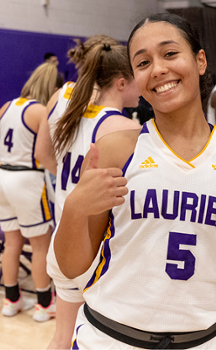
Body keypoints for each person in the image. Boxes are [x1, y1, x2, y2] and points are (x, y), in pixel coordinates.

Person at [54, 13, 216, 349]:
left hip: (204, 340)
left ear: (199, 60)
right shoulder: (115, 150)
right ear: (135, 78)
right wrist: (74, 210)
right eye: (143, 62)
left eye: (169, 54)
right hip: (110, 338)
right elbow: (71, 266)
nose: (158, 69)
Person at [36, 36, 141, 350]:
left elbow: (42, 153)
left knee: (61, 338)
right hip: (95, 251)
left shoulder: (60, 97)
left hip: (62, 240)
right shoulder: (124, 129)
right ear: (121, 82)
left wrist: (74, 188)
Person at [0, 62, 58, 321]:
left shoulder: (6, 107)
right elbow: (45, 152)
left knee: (11, 243)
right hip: (26, 180)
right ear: (52, 86)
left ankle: (11, 300)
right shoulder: (41, 111)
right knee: (39, 245)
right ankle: (44, 304)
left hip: (2, 177)